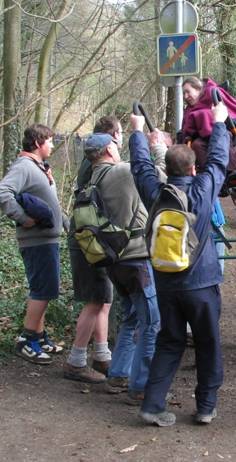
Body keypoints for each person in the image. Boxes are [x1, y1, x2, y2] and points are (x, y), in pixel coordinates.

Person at [129, 102, 229, 427]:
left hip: (166, 283)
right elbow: (218, 159)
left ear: (167, 169)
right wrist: (219, 124)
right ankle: (205, 406)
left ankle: (153, 404)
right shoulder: (202, 191)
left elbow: (140, 166)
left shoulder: (154, 193)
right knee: (207, 341)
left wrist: (136, 132)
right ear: (192, 169)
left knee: (169, 341)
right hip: (201, 284)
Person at [81, 131, 160, 406]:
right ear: (110, 150)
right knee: (152, 322)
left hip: (115, 263)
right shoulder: (122, 172)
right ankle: (140, 387)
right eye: (116, 144)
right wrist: (157, 147)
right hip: (137, 261)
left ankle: (118, 375)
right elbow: (158, 177)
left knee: (131, 320)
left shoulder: (92, 178)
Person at [0, 124, 68, 364]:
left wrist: (64, 221)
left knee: (43, 289)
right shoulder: (24, 166)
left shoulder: (40, 167)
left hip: (48, 239)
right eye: (50, 141)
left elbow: (50, 201)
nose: (53, 145)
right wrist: (24, 219)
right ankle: (27, 341)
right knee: (43, 291)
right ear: (38, 143)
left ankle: (39, 335)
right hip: (37, 241)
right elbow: (1, 192)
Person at [63, 116, 122, 384]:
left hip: (93, 238)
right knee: (95, 300)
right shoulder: (99, 167)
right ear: (110, 141)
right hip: (89, 240)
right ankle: (76, 362)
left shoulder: (92, 163)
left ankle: (102, 356)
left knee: (103, 298)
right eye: (119, 136)